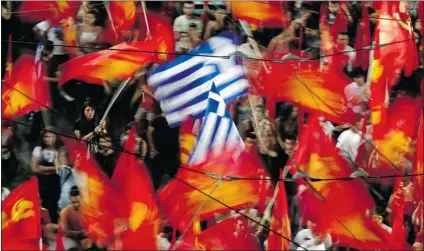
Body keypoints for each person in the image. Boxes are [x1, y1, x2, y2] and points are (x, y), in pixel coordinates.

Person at [31, 129, 61, 223]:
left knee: (52, 208)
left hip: (54, 183)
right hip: (41, 182)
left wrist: (42, 168)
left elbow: (60, 169)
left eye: (51, 136)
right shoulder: (38, 150)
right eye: (46, 136)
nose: (48, 139)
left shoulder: (58, 151)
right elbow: (34, 168)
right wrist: (53, 169)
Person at [59, 186, 93, 250]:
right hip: (70, 241)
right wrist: (81, 232)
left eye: (78, 202)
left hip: (86, 240)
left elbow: (92, 229)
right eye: (73, 202)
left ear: (81, 199)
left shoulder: (88, 210)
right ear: (70, 199)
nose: (76, 204)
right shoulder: (65, 212)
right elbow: (65, 233)